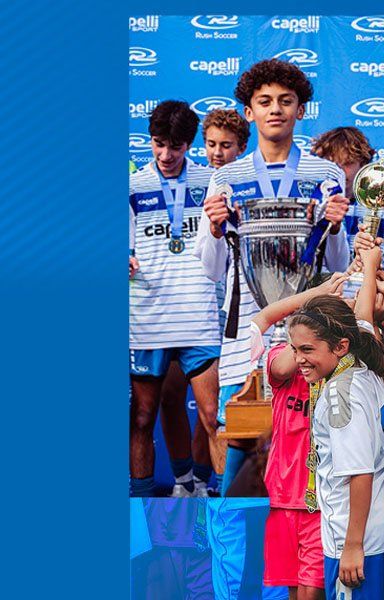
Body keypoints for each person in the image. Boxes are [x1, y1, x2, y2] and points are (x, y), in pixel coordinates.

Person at [195, 59, 351, 494]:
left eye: (286, 101)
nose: (275, 109)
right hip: (246, 333)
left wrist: (336, 227)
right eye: (264, 102)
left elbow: (337, 264)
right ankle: (234, 561)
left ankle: (302, 557)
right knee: (240, 457)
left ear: (301, 110)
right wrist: (212, 230)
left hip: (308, 334)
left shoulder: (325, 175)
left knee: (311, 459)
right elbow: (211, 269)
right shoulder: (227, 177)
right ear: (249, 112)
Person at [286, 290, 384, 600]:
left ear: (341, 346)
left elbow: (359, 473)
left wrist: (353, 545)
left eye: (307, 349)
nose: (299, 360)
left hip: (360, 542)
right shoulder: (364, 370)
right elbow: (364, 323)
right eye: (294, 349)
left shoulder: (339, 396)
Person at [129, 100, 222, 497]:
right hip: (147, 318)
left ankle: (210, 497)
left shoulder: (210, 182)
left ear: (189, 145)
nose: (166, 155)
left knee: (213, 416)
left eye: (176, 146)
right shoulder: (130, 187)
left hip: (199, 315)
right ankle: (139, 511)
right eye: (158, 144)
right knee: (143, 417)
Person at [160, 108, 251, 497]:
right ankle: (186, 482)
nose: (216, 153)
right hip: (185, 309)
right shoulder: (197, 181)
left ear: (241, 147)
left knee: (214, 413)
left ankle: (205, 480)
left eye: (225, 146)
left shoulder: (246, 184)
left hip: (229, 319)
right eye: (210, 144)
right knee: (170, 398)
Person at [247, 273, 348, 600]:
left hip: (323, 501)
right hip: (282, 498)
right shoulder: (282, 362)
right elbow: (261, 320)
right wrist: (313, 298)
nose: (303, 354)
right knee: (294, 589)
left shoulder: (343, 369)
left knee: (312, 591)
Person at [311, 126, 384, 279]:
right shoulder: (315, 205)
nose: (339, 171)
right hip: (322, 292)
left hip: (367, 288)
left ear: (362, 164)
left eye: (347, 163)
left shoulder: (381, 207)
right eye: (332, 164)